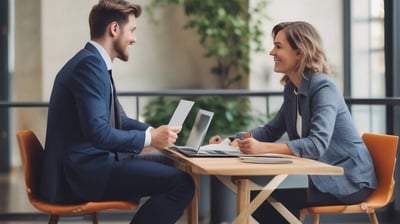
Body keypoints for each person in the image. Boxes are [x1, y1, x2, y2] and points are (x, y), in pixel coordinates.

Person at [40, 1, 194, 223]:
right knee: (181, 183)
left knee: (170, 164)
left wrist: (155, 132)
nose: (134, 38)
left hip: (88, 166)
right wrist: (151, 138)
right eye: (132, 30)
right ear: (114, 29)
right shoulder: (89, 66)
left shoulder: (93, 63)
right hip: (83, 175)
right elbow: (99, 133)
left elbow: (119, 119)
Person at [209, 21, 377, 223]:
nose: (272, 52)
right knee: (263, 201)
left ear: (300, 52)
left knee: (266, 203)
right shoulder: (292, 88)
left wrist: (262, 148)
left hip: (351, 181)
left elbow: (317, 145)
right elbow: (270, 130)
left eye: (278, 46)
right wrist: (230, 142)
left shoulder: (324, 88)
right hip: (326, 179)